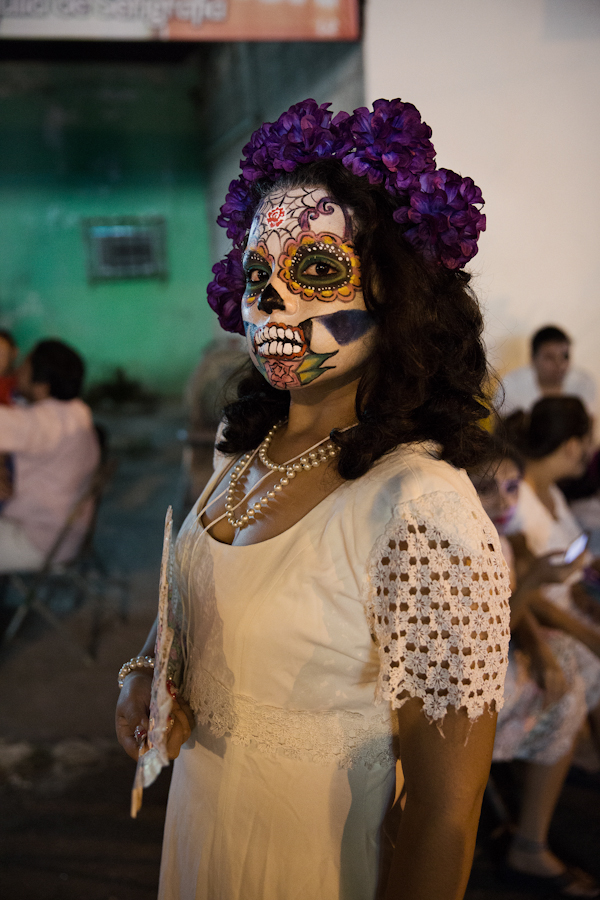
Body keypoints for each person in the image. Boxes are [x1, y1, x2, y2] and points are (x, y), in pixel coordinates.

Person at [116, 98, 511, 900]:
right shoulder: (242, 448)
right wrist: (146, 673)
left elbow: (445, 815)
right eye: (257, 274)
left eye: (319, 272)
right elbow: (191, 608)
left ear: (399, 294)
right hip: (202, 837)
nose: (271, 302)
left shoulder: (420, 507)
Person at [470, 442, 600, 897]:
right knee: (565, 684)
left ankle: (532, 817)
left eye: (512, 487)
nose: (505, 501)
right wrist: (534, 583)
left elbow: (519, 606)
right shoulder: (464, 544)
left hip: (498, 653)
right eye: (487, 487)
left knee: (566, 659)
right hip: (471, 676)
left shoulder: (502, 535)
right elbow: (488, 636)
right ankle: (528, 842)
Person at [0, 339, 100, 573]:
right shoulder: (78, 412)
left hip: (38, 541)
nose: (17, 371)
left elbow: (15, 426)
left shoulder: (43, 423)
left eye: (25, 367)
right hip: (65, 534)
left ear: (42, 385)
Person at [497, 326, 597, 420]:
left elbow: (590, 423)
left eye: (565, 356)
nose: (559, 364)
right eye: (550, 357)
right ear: (533, 358)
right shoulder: (510, 385)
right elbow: (501, 427)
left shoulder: (584, 383)